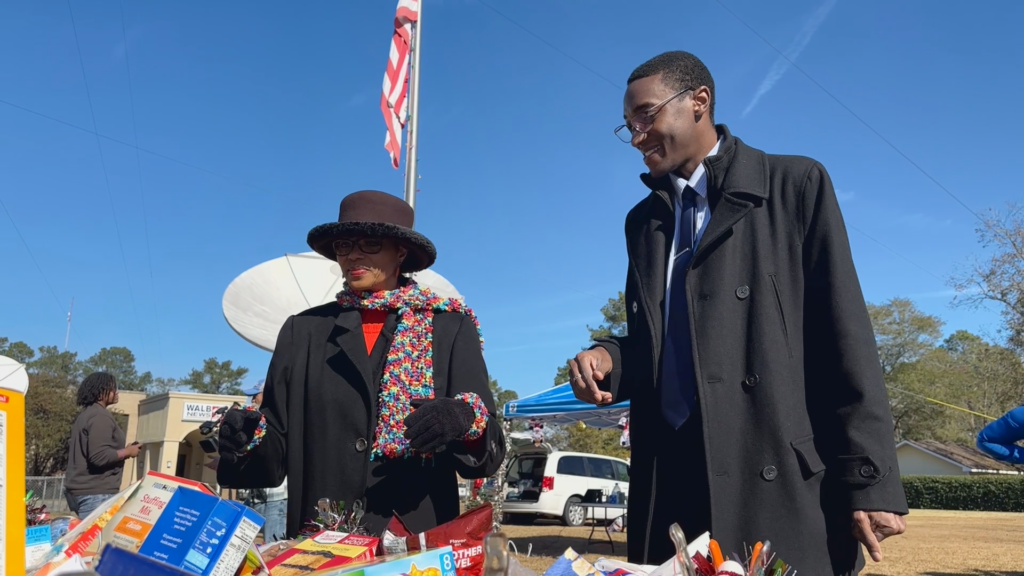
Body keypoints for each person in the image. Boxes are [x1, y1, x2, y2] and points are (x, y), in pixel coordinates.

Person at [566, 51, 907, 575]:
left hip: (771, 473)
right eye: (628, 125)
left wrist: (868, 479)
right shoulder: (643, 222)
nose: (636, 136)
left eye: (646, 115)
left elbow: (844, 337)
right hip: (670, 480)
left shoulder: (794, 185)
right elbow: (664, 343)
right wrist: (609, 355)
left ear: (698, 102)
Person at [217, 190, 505, 538]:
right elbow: (276, 447)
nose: (353, 254)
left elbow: (487, 453)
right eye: (344, 244)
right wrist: (249, 436)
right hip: (324, 533)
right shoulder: (303, 330)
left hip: (414, 536)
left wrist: (464, 420)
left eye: (369, 243)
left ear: (400, 251)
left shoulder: (450, 327)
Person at [65, 372, 141, 519]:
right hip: (95, 494)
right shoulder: (100, 416)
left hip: (84, 491)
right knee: (93, 542)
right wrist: (128, 452)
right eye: (113, 388)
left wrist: (124, 450)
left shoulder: (88, 414)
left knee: (87, 540)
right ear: (101, 393)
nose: (116, 392)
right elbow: (99, 457)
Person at [238, 379, 288, 542]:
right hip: (256, 497)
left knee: (273, 549)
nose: (252, 400)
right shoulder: (260, 423)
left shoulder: (279, 423)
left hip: (275, 498)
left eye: (255, 395)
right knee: (236, 539)